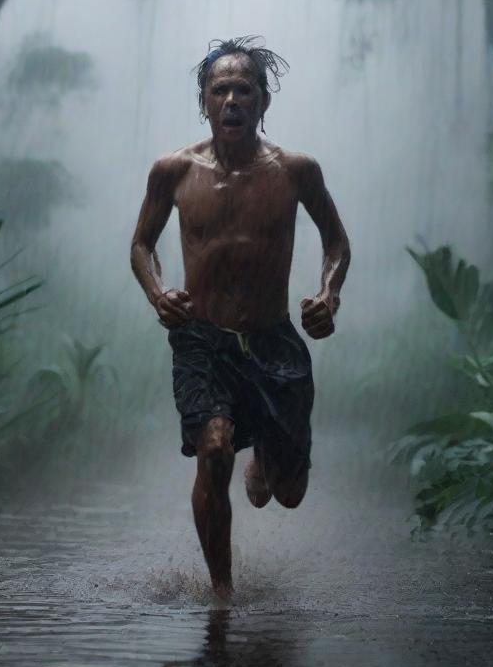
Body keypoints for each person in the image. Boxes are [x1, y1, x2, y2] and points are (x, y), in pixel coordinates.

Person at [130, 36, 351, 601]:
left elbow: (336, 243)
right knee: (212, 448)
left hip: (273, 339)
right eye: (219, 89)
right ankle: (222, 595)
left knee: (286, 491)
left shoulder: (295, 170)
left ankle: (267, 460)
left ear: (262, 103)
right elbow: (141, 245)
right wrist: (159, 293)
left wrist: (328, 295)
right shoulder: (173, 171)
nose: (231, 100)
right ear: (204, 101)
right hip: (201, 339)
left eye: (243, 90)